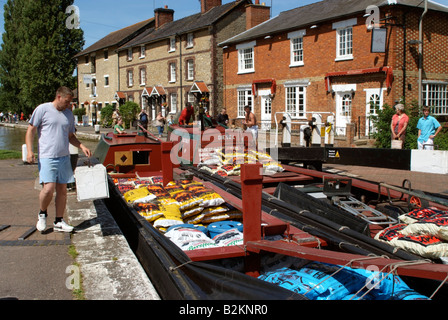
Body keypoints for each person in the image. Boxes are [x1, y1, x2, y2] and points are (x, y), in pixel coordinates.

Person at [25, 87, 92, 233]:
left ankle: (59, 221)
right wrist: (30, 151)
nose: (69, 105)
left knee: (62, 190)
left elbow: (70, 136)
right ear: (59, 97)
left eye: (70, 102)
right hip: (47, 156)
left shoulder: (68, 114)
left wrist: (82, 146)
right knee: (48, 189)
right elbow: (30, 130)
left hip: (63, 156)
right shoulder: (43, 109)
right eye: (67, 102)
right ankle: (42, 213)